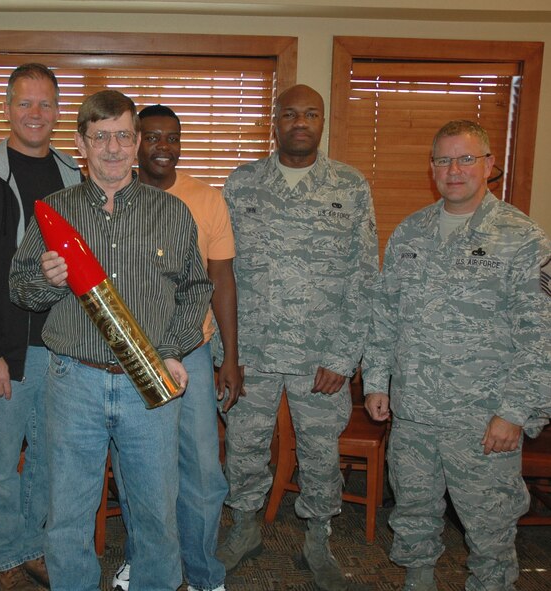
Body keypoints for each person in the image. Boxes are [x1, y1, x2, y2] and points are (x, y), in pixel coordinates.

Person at [10, 90, 212, 591]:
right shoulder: (52, 213)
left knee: (155, 516)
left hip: (150, 381)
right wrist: (46, 278)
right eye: (101, 137)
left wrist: (172, 351)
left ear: (137, 141)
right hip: (73, 381)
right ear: (82, 143)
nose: (114, 148)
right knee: (68, 515)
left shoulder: (173, 212)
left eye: (124, 135)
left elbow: (195, 291)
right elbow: (20, 289)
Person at [362, 119, 551, 591]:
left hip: (483, 421)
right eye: (443, 159)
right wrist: (375, 383)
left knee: (489, 533)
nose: (454, 169)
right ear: (432, 168)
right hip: (414, 415)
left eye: (466, 158)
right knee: (414, 516)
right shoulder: (411, 232)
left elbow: (541, 336)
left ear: (490, 165)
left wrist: (514, 413)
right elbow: (386, 315)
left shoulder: (523, 238)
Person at [218, 84, 378, 591]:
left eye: (311, 113)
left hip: (320, 357)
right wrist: (228, 354)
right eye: (289, 113)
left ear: (323, 120)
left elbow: (363, 277)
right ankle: (244, 528)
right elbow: (220, 271)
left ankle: (317, 537)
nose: (300, 122)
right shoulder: (242, 184)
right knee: (244, 445)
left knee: (321, 452)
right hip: (252, 351)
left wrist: (344, 356)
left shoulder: (349, 186)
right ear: (275, 121)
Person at [0, 63, 80, 591]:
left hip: (62, 349)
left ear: (57, 111)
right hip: (4, 350)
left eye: (45, 104)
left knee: (50, 460)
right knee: (1, 462)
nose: (35, 114)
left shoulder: (74, 175)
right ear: (7, 109)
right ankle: (4, 554)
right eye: (24, 103)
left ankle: (34, 545)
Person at [110, 104, 240, 591]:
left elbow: (221, 279)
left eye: (173, 138)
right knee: (140, 470)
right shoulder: (116, 197)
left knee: (203, 468)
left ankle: (204, 572)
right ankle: (143, 564)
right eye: (153, 137)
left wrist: (230, 355)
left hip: (193, 351)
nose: (163, 147)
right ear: (137, 142)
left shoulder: (206, 200)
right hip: (134, 357)